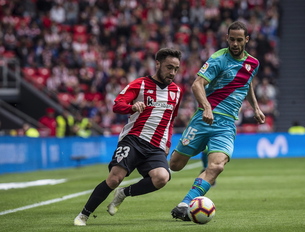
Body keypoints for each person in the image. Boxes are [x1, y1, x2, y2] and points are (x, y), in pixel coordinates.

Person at [74, 48, 183, 226]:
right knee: (114, 178)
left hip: (156, 146)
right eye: (169, 67)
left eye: (176, 69)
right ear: (157, 64)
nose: (172, 72)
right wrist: (131, 107)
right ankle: (84, 215)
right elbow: (117, 105)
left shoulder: (176, 91)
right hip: (133, 140)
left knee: (162, 177)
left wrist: (168, 142)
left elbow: (171, 119)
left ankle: (123, 194)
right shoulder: (140, 84)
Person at [169, 21, 265, 221]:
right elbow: (197, 84)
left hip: (227, 124)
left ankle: (185, 203)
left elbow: (247, 83)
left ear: (246, 39)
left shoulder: (253, 63)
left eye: (240, 40)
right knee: (175, 165)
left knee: (217, 166)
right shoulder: (218, 59)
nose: (235, 44)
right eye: (232, 39)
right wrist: (206, 107)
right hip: (204, 120)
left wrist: (255, 106)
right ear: (227, 39)